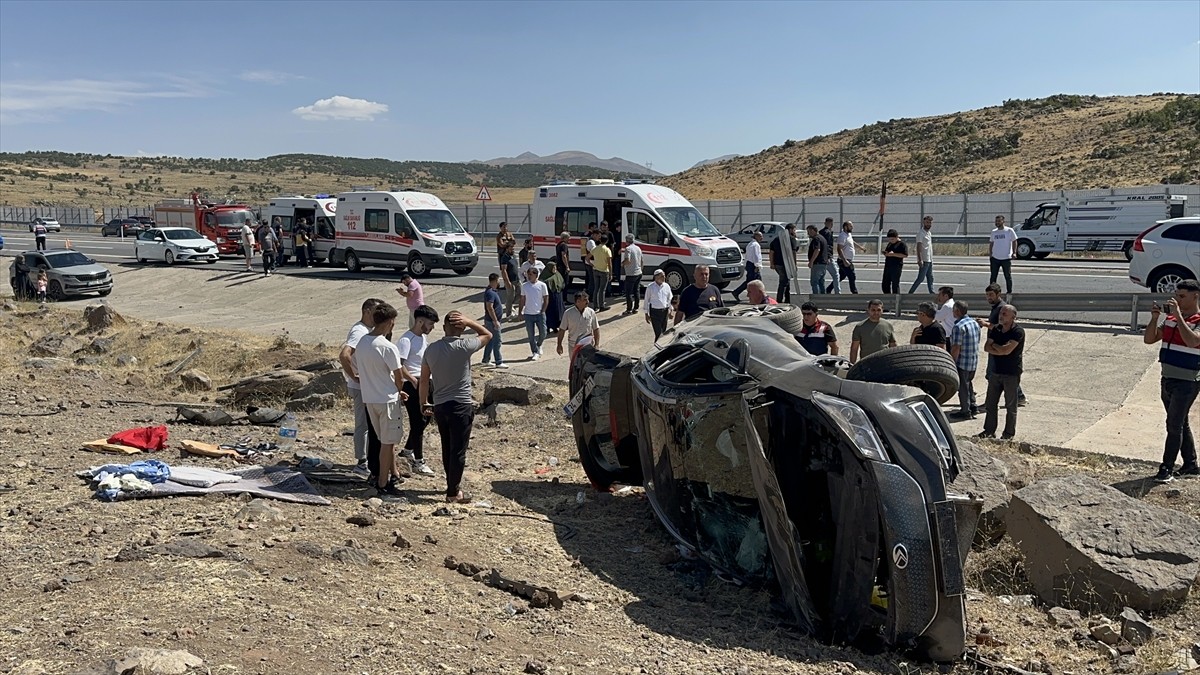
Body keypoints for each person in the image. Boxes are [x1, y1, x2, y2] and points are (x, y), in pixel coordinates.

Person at [420, 310, 492, 503]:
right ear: (462, 329)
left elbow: (424, 380)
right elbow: (487, 335)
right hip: (460, 404)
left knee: (447, 446)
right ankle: (453, 492)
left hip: (440, 405)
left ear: (444, 327)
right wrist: (469, 321)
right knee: (458, 450)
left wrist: (424, 402)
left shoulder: (431, 349)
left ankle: (451, 484)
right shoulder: (464, 346)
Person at [1144, 279, 1200, 482]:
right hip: (1167, 378)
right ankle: (1191, 464)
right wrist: (1154, 318)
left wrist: (1178, 317)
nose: (1178, 299)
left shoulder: (1197, 320)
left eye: (1182, 296)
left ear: (1195, 296)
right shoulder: (1170, 319)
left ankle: (1166, 468)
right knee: (1180, 422)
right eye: (1177, 295)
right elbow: (1150, 339)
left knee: (1173, 425)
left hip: (1187, 382)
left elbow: (1193, 341)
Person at [352, 302, 410, 498]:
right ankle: (383, 483)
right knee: (388, 443)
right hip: (387, 400)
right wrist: (399, 391)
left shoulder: (362, 343)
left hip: (370, 399)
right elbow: (399, 376)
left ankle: (391, 475)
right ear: (390, 322)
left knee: (385, 441)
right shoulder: (387, 347)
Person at [339, 298, 386, 476]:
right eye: (376, 312)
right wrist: (354, 376)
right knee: (363, 424)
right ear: (367, 312)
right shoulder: (359, 331)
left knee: (370, 424)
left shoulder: (368, 330)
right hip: (360, 387)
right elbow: (345, 354)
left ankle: (368, 460)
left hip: (367, 385)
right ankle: (361, 462)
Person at [396, 305, 438, 477]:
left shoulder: (423, 338)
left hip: (426, 381)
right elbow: (399, 364)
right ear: (420, 321)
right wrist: (413, 380)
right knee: (417, 421)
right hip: (412, 384)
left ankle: (408, 450)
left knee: (427, 417)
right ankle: (418, 461)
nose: (432, 327)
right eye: (430, 323)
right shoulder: (406, 340)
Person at [978, 304, 1025, 440]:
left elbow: (1007, 350)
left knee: (1011, 406)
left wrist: (996, 347)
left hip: (1011, 373)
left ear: (1013, 317)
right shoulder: (996, 329)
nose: (1001, 316)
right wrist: (999, 349)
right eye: (1000, 313)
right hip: (996, 372)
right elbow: (987, 347)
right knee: (991, 404)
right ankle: (989, 431)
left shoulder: (1018, 332)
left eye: (1004, 314)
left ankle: (1008, 434)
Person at [979, 283, 1027, 406]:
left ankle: (991, 402)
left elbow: (998, 326)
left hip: (999, 346)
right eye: (987, 295)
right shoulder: (996, 307)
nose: (988, 297)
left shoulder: (1002, 308)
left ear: (998, 294)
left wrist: (985, 324)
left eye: (991, 295)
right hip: (994, 345)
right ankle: (1019, 396)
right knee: (999, 374)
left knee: (994, 374)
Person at [949, 300, 981, 420]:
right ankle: (973, 405)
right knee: (969, 383)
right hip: (973, 360)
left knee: (963, 387)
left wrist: (952, 362)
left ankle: (965, 411)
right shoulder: (974, 323)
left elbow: (956, 347)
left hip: (962, 362)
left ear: (957, 311)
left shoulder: (958, 327)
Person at [850, 299, 897, 363]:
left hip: (884, 362)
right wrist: (852, 364)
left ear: (882, 310)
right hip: (867, 363)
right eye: (873, 310)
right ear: (868, 310)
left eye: (878, 310)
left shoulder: (888, 325)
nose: (876, 312)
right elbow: (854, 349)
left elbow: (893, 346)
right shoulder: (860, 327)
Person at [558, 291, 600, 358]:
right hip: (573, 345)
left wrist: (596, 344)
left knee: (587, 364)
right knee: (575, 363)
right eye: (585, 300)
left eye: (587, 299)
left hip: (588, 346)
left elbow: (596, 329)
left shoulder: (591, 312)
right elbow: (562, 330)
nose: (588, 302)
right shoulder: (568, 313)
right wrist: (559, 345)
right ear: (578, 301)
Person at [519, 266, 549, 360]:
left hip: (539, 313)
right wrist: (520, 311)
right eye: (528, 274)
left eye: (531, 274)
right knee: (531, 335)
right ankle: (535, 351)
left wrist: (543, 310)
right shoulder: (525, 286)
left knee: (543, 333)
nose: (529, 276)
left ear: (536, 275)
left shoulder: (542, 285)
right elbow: (522, 299)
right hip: (528, 314)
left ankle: (539, 345)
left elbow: (546, 298)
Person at [480, 273, 508, 369]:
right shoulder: (490, 293)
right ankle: (498, 361)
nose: (499, 282)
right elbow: (490, 307)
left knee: (491, 341)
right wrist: (495, 321)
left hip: (491, 321)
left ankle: (486, 360)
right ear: (495, 281)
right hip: (492, 321)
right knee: (497, 341)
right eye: (498, 280)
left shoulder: (491, 291)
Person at [833, 220, 866, 294]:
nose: (852, 227)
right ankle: (854, 293)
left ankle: (828, 289)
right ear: (845, 227)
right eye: (850, 226)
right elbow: (839, 249)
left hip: (848, 260)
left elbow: (852, 242)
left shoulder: (848, 234)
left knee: (841, 277)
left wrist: (860, 247)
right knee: (852, 276)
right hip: (844, 261)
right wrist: (844, 261)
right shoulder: (842, 236)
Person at [989, 215, 1018, 294]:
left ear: (1003, 221)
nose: (997, 223)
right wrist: (990, 253)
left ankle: (1009, 292)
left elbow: (1014, 241)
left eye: (999, 221)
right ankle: (992, 292)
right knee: (993, 276)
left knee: (1007, 276)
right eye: (996, 221)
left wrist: (1014, 252)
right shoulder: (994, 232)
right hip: (995, 258)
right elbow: (991, 243)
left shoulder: (1009, 230)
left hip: (1006, 258)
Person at [770, 224, 798, 303]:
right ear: (790, 230)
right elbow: (793, 253)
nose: (795, 232)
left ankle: (787, 298)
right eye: (794, 230)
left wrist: (772, 263)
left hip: (777, 264)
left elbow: (771, 252)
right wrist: (794, 265)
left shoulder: (776, 239)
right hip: (786, 264)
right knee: (783, 282)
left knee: (786, 281)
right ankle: (779, 299)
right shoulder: (791, 239)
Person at [731, 230, 763, 301]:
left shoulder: (750, 244)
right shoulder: (755, 245)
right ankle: (737, 292)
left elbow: (747, 256)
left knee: (754, 281)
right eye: (760, 236)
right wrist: (757, 266)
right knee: (754, 282)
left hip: (749, 264)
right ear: (756, 236)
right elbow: (756, 256)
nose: (762, 238)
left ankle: (758, 295)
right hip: (753, 265)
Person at [908, 216, 936, 294]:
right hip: (924, 259)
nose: (928, 224)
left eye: (930, 223)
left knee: (930, 277)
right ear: (923, 223)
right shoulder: (921, 233)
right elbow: (919, 246)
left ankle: (932, 292)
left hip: (929, 259)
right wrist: (920, 259)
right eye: (927, 222)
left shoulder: (929, 233)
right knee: (920, 278)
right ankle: (910, 293)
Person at [643, 270, 673, 340]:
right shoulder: (650, 287)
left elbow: (669, 299)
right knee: (658, 333)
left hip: (664, 312)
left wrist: (670, 310)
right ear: (656, 277)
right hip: (655, 313)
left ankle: (659, 346)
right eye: (662, 276)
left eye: (664, 276)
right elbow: (646, 300)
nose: (664, 278)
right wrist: (646, 314)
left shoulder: (666, 286)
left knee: (663, 333)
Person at [621, 234, 643, 315]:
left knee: (628, 292)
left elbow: (628, 260)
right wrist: (641, 269)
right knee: (636, 291)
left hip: (631, 273)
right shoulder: (638, 248)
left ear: (627, 241)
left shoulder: (628, 249)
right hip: (639, 272)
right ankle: (636, 308)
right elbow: (642, 261)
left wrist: (622, 264)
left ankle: (629, 309)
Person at [590, 233, 613, 311]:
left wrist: (592, 264)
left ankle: (595, 305)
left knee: (596, 288)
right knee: (602, 289)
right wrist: (611, 273)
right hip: (604, 271)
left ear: (600, 240)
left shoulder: (595, 248)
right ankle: (601, 306)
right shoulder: (607, 250)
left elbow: (587, 258)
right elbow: (609, 263)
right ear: (607, 241)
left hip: (596, 270)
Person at [881, 229, 908, 294]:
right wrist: (886, 253)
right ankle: (888, 296)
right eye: (889, 239)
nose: (891, 241)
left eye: (892, 239)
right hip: (888, 265)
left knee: (895, 284)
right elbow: (887, 251)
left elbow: (905, 255)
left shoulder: (902, 244)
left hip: (896, 266)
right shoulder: (890, 244)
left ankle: (896, 298)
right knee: (885, 284)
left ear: (897, 237)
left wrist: (893, 254)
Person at [543, 261, 566, 334]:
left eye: (555, 268)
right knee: (549, 313)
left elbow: (562, 283)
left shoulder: (557, 275)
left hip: (558, 296)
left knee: (557, 312)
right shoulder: (545, 276)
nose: (555, 269)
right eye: (553, 268)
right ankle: (548, 328)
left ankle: (555, 327)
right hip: (550, 297)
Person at [499, 240, 519, 321]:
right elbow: (504, 270)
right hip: (510, 280)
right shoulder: (505, 258)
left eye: (513, 248)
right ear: (507, 249)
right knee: (510, 296)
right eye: (511, 248)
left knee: (520, 293)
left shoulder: (514, 256)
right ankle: (508, 314)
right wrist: (507, 282)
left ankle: (509, 304)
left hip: (517, 279)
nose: (512, 250)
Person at [820, 218, 840, 294]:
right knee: (836, 275)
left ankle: (821, 292)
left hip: (822, 257)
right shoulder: (827, 233)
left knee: (821, 277)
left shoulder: (821, 232)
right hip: (828, 257)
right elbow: (827, 246)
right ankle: (837, 292)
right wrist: (828, 256)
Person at [806, 225, 827, 295]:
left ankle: (816, 297)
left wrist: (811, 261)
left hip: (817, 263)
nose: (808, 234)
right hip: (823, 263)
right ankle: (823, 297)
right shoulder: (822, 238)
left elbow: (817, 249)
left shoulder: (816, 239)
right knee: (821, 282)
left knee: (814, 282)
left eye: (808, 231)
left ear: (812, 230)